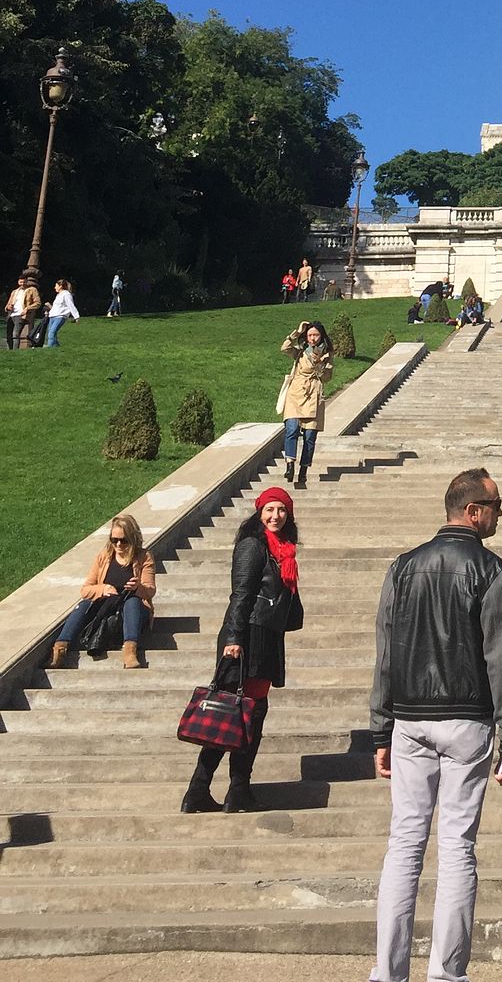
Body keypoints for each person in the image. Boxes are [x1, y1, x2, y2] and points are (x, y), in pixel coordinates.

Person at [369, 468, 502, 982]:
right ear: (472, 511)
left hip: (410, 719)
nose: (501, 512)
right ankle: (446, 974)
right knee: (456, 849)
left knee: (404, 845)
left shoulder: (403, 567)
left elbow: (385, 654)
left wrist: (380, 726)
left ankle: (388, 973)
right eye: (497, 505)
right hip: (466, 720)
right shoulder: (491, 571)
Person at [182, 487, 301, 814]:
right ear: (258, 512)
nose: (275, 516)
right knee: (240, 714)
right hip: (247, 638)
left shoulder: (283, 551)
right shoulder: (253, 546)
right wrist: (233, 637)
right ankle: (223, 790)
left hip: (266, 638)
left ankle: (220, 791)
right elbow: (241, 595)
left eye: (281, 510)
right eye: (269, 510)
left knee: (248, 715)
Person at [49, 512, 155, 670]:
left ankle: (130, 651)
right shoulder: (104, 556)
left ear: (132, 539)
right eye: (114, 540)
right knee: (84, 604)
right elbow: (85, 589)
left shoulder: (144, 557)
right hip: (106, 611)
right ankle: (60, 650)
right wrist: (103, 589)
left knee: (132, 601)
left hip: (133, 613)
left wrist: (137, 587)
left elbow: (150, 590)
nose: (118, 545)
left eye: (123, 541)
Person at [281, 320, 334, 489]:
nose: (312, 338)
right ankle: (290, 464)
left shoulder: (327, 353)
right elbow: (285, 348)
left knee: (310, 436)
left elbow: (327, 378)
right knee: (292, 429)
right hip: (296, 393)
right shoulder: (301, 351)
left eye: (316, 335)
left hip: (314, 395)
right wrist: (297, 332)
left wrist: (320, 367)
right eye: (310, 335)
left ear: (321, 336)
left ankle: (304, 468)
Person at [45, 278, 80, 348]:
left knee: (51, 333)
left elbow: (71, 305)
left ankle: (49, 348)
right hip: (53, 316)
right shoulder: (59, 295)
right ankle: (56, 347)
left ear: (60, 286)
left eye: (56, 286)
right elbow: (56, 307)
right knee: (51, 333)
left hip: (60, 316)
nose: (55, 288)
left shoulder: (66, 294)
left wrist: (76, 316)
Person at [5, 277, 28, 349]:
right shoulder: (14, 292)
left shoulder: (30, 290)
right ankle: (10, 350)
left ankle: (15, 350)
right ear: (18, 282)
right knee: (9, 334)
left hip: (20, 315)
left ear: (26, 282)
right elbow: (8, 304)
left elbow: (37, 303)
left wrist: (27, 308)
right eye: (21, 282)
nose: (22, 284)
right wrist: (8, 307)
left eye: (24, 282)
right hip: (11, 315)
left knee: (15, 334)